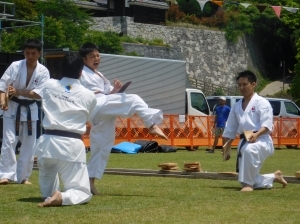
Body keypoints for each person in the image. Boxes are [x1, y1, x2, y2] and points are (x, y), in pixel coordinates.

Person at [79, 42, 168, 195]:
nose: (96, 59)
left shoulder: (98, 74)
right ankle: (151, 124)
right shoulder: (82, 73)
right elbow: (94, 95)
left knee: (102, 147)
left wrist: (115, 90)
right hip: (98, 106)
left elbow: (107, 95)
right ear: (84, 59)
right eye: (92, 56)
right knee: (134, 99)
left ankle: (89, 183)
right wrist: (112, 94)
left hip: (103, 111)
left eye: (98, 55)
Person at [35, 52, 97, 207]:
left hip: (47, 143)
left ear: (61, 69)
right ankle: (62, 197)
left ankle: (49, 195)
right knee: (83, 192)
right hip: (70, 145)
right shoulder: (89, 95)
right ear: (81, 72)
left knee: (47, 185)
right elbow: (87, 118)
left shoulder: (48, 85)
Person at [222, 70, 287, 192]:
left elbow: (267, 125)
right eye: (239, 85)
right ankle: (274, 176)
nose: (242, 87)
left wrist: (257, 135)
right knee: (243, 179)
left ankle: (249, 186)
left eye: (245, 84)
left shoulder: (262, 103)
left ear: (253, 84)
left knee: (249, 150)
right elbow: (230, 128)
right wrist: (226, 147)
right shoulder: (236, 106)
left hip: (262, 140)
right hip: (244, 140)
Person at [0, 39, 50, 185]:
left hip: (30, 109)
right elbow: (2, 85)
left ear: (39, 53)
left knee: (29, 144)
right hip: (13, 107)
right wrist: (3, 100)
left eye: (33, 53)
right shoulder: (15, 66)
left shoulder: (43, 71)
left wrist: (18, 91)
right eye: (27, 53)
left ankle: (23, 177)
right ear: (24, 53)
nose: (30, 56)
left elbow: (40, 93)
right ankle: (5, 175)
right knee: (9, 141)